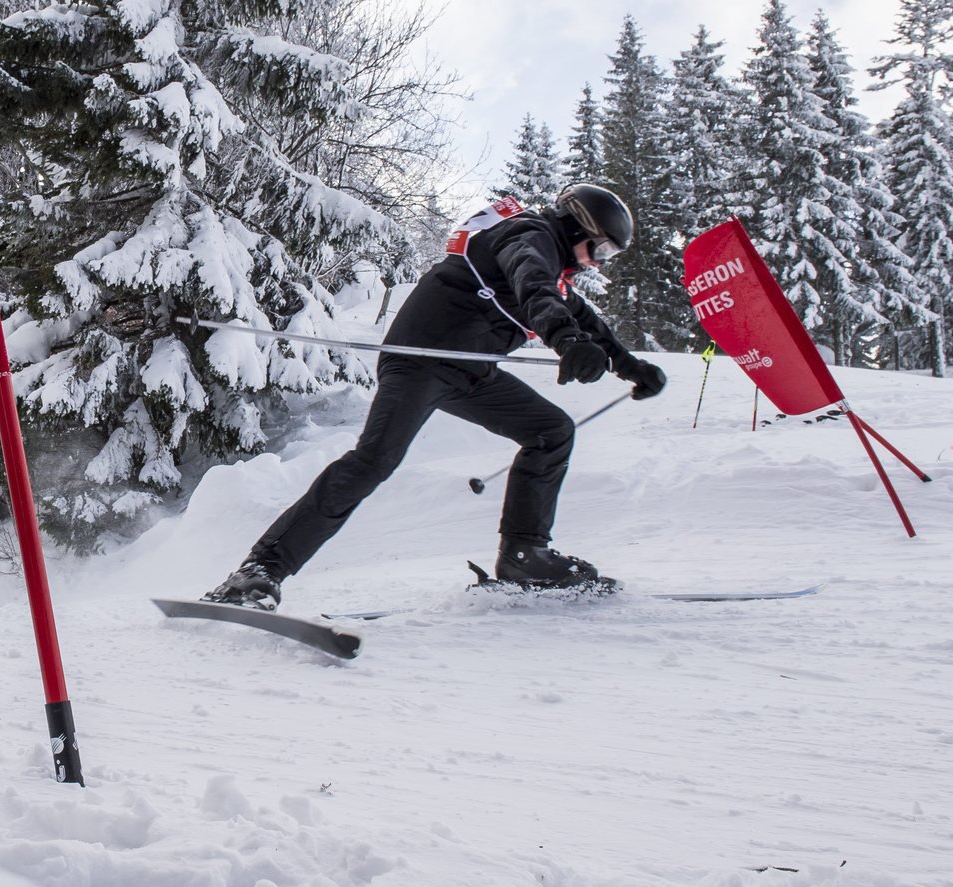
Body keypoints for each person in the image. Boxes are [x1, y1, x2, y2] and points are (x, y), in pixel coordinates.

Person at [203, 183, 667, 609]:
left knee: (550, 431)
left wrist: (631, 367)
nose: (598, 262)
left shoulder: (552, 261)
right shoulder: (530, 235)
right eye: (601, 247)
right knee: (374, 461)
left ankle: (526, 555)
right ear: (576, 225)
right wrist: (565, 340)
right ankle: (258, 571)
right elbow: (533, 286)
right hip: (421, 361)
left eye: (608, 255)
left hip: (470, 371)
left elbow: (580, 315)